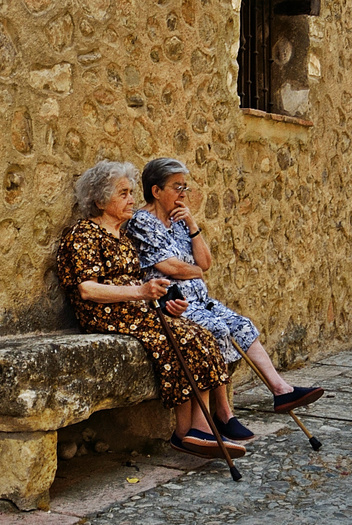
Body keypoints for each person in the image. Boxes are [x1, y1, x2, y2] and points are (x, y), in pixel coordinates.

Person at [56, 159, 246, 460]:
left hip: (135, 309)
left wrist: (164, 301)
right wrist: (140, 292)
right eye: (123, 193)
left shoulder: (122, 236)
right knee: (180, 339)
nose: (132, 199)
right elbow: (87, 289)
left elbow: (142, 283)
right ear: (100, 199)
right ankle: (189, 432)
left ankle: (193, 428)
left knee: (200, 335)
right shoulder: (83, 235)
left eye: (131, 192)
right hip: (106, 312)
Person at [126, 158, 324, 441]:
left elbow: (205, 262)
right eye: (176, 187)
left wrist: (193, 225)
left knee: (242, 325)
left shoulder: (181, 220)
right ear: (156, 191)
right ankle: (224, 413)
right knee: (217, 329)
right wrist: (194, 271)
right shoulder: (142, 222)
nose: (183, 193)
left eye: (185, 186)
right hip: (173, 304)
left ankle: (282, 391)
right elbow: (171, 267)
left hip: (201, 299)